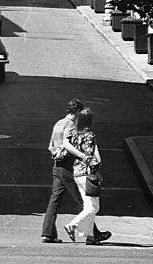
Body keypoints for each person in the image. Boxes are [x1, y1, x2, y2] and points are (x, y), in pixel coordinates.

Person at [39, 99, 109, 244]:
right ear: (77, 111)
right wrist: (82, 156)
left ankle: (48, 233)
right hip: (68, 167)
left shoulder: (58, 123)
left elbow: (50, 146)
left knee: (55, 201)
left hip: (57, 166)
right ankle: (93, 234)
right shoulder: (71, 125)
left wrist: (56, 154)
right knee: (83, 201)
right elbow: (68, 144)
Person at [62, 108, 103, 245]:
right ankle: (72, 225)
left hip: (77, 172)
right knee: (93, 208)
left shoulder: (74, 134)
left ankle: (90, 237)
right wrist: (96, 172)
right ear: (90, 121)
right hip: (87, 173)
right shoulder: (89, 135)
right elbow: (91, 156)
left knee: (88, 206)